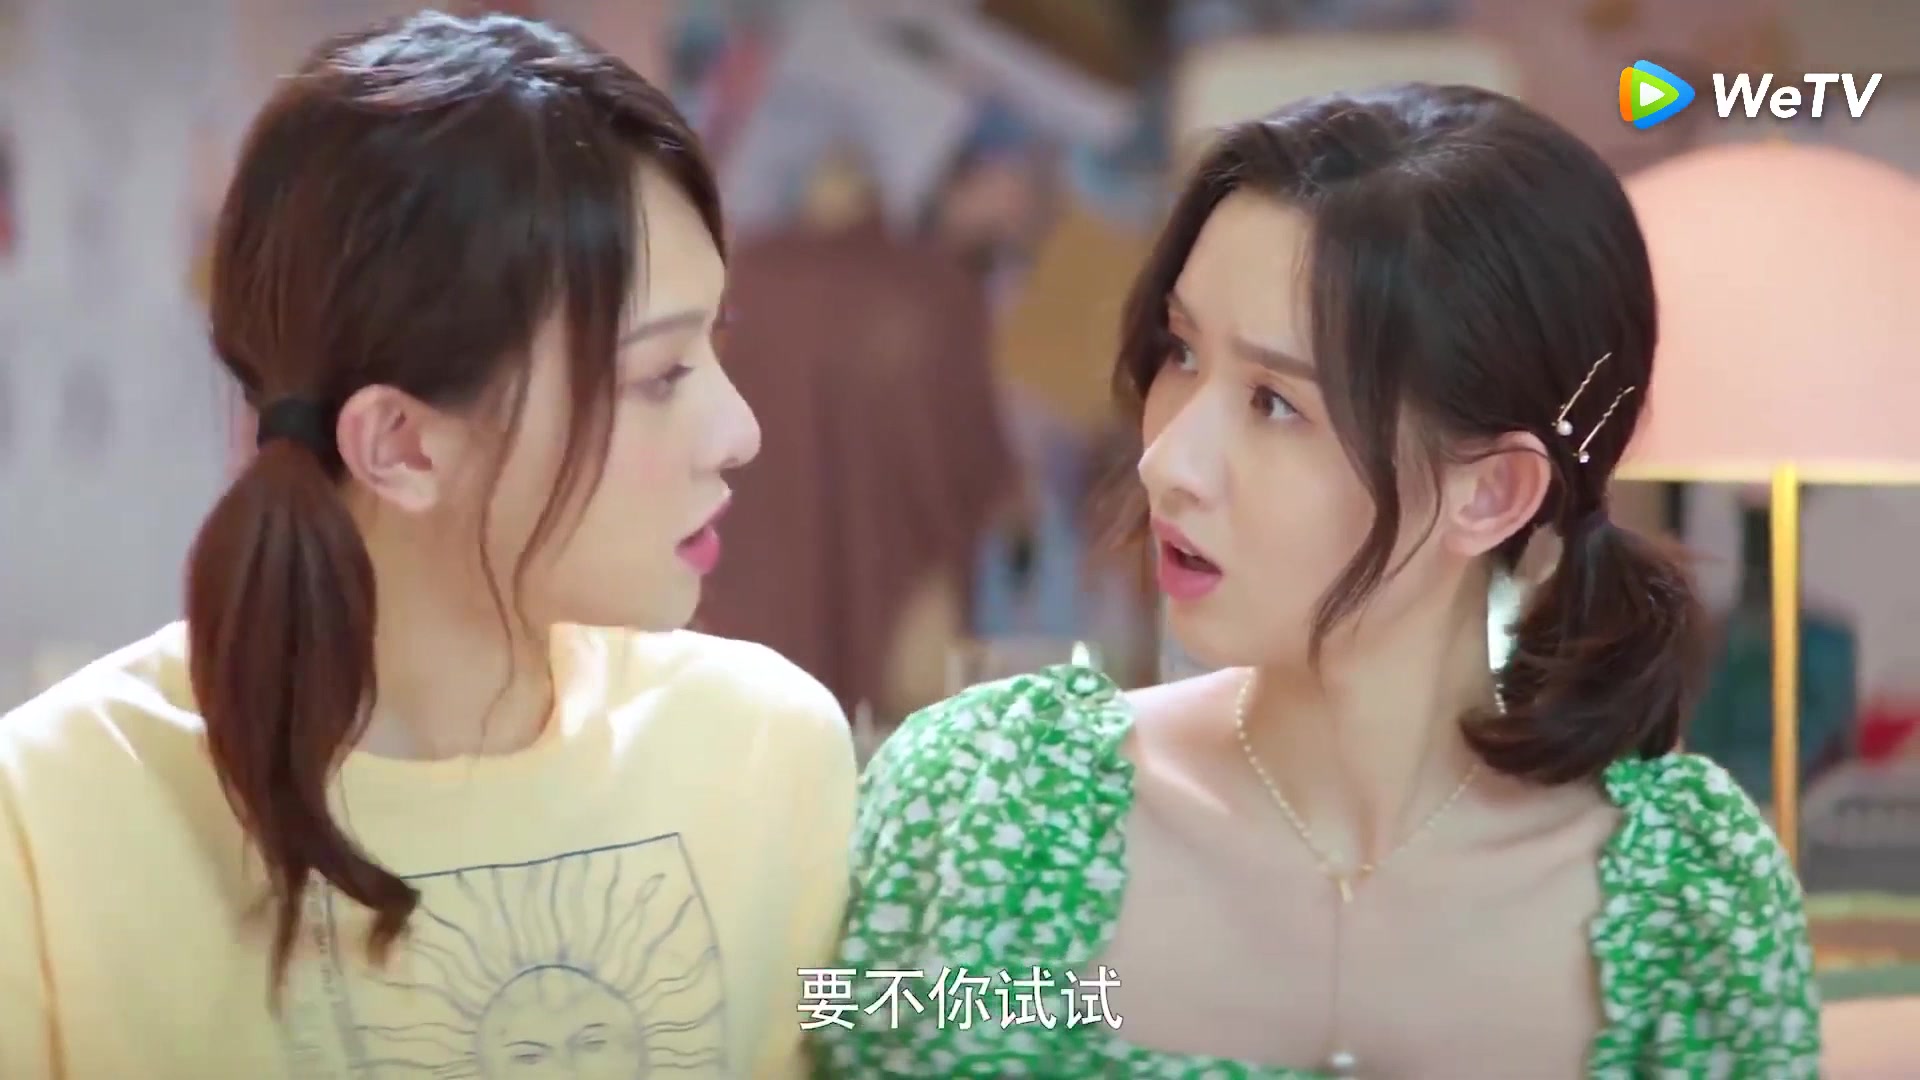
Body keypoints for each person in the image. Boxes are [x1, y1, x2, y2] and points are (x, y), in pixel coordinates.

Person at [814, 84, 1820, 1078]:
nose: (1167, 462)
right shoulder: (990, 803)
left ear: (1492, 493)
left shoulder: (1690, 902)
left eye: (1275, 403)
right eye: (1181, 352)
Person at [0, 13, 854, 1079]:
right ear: (401, 444)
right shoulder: (52, 813)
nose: (739, 433)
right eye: (660, 376)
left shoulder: (763, 750)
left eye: (712, 348)